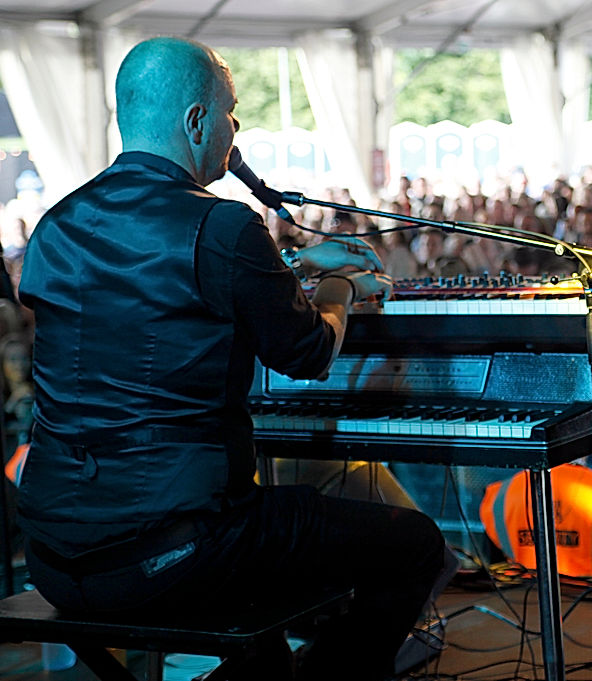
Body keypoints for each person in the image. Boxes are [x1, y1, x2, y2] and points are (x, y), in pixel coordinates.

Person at [15, 37, 446, 681]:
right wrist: (341, 289)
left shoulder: (56, 227)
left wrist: (293, 262)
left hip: (54, 551)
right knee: (416, 547)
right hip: (178, 549)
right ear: (196, 121)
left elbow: (147, 299)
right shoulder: (221, 226)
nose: (235, 128)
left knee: (271, 616)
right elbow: (310, 351)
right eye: (231, 112)